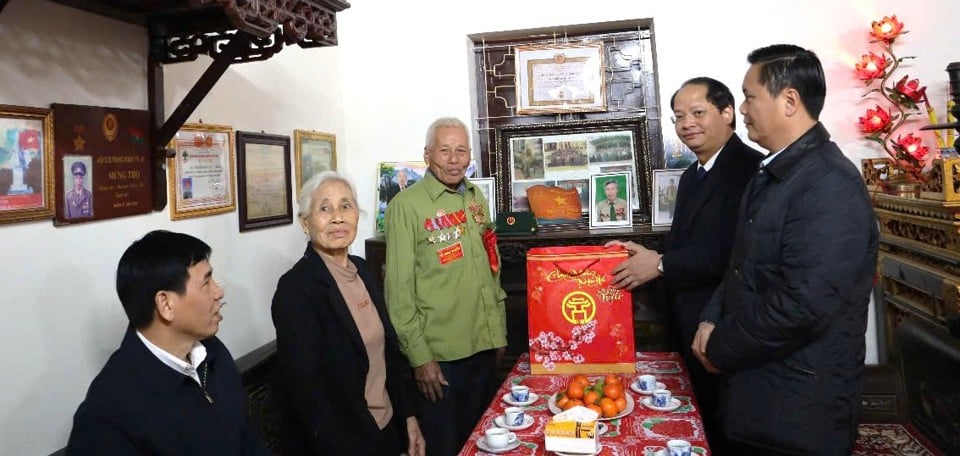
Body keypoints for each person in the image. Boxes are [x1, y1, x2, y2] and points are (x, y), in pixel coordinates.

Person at [691, 44, 879, 455]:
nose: (742, 109)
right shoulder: (774, 173)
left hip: (799, 409)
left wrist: (720, 346)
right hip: (757, 391)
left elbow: (804, 303)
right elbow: (740, 265)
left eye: (749, 96)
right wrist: (710, 320)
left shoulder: (830, 184)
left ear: (789, 100)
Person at [606, 76, 763, 452]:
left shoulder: (751, 170)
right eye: (679, 116)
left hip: (723, 321)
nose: (687, 123)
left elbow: (735, 253)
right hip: (686, 321)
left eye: (698, 112)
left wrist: (660, 265)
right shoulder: (693, 174)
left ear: (728, 113)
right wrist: (640, 252)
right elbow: (686, 241)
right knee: (699, 421)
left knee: (730, 426)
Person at [66, 230, 269, 455]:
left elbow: (247, 438)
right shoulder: (106, 416)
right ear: (166, 304)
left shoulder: (212, 351)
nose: (218, 292)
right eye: (206, 282)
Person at [271, 171, 425, 456]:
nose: (337, 217)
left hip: (387, 427)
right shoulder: (297, 288)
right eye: (324, 208)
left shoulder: (363, 269)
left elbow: (389, 353)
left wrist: (408, 418)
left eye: (346, 206)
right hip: (345, 442)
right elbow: (308, 392)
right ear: (306, 223)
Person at [384, 117, 507, 456]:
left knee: (485, 444)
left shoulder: (475, 197)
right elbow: (398, 294)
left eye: (461, 151)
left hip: (483, 350)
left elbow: (491, 267)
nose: (454, 160)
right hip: (440, 362)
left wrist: (498, 335)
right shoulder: (405, 207)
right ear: (427, 155)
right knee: (446, 448)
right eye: (444, 151)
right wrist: (421, 358)